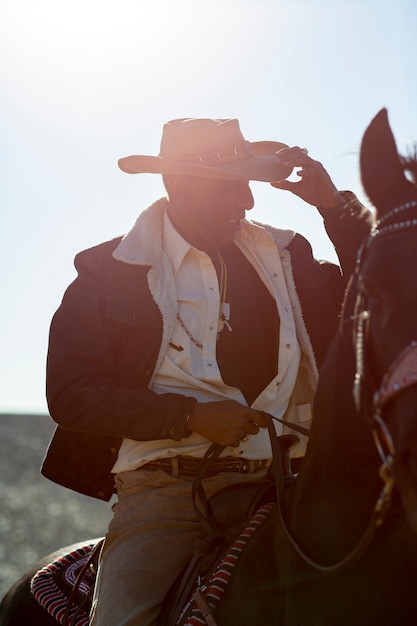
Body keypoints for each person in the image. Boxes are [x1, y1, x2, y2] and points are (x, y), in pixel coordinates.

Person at [42, 117, 372, 626]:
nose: (248, 202)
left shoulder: (289, 257)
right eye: (231, 186)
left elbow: (383, 285)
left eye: (249, 185)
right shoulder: (108, 271)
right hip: (166, 495)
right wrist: (188, 416)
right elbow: (71, 391)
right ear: (179, 185)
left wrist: (336, 207)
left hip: (291, 485)